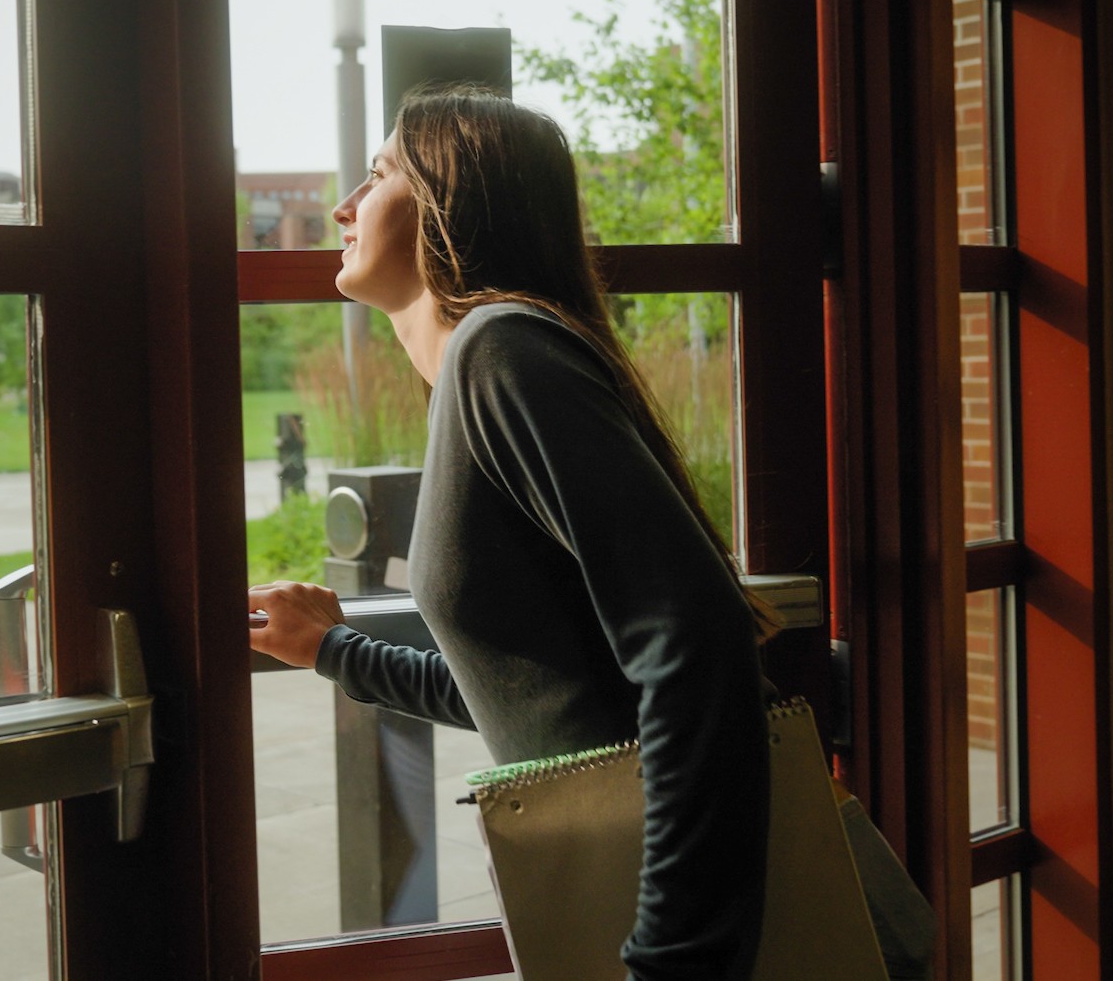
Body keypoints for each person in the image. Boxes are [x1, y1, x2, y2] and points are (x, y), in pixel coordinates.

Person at [247, 86, 779, 980]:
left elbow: (696, 638)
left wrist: (680, 956)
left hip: (665, 911)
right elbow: (535, 693)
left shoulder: (503, 354)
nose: (342, 207)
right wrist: (336, 648)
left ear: (449, 201)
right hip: (621, 887)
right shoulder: (482, 368)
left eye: (376, 176)